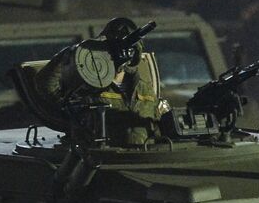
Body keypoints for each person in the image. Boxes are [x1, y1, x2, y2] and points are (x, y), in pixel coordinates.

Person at [36, 17, 168, 147]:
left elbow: (160, 131)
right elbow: (46, 86)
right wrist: (74, 53)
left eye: (130, 49)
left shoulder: (146, 91)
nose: (122, 53)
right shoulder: (84, 88)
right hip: (101, 159)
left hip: (141, 160)